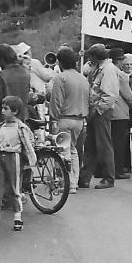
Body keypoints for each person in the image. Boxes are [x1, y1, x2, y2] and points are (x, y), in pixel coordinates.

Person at [0, 95, 37, 232]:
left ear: (15, 111)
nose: (2, 111)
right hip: (0, 158)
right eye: (2, 108)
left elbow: (29, 143)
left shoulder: (21, 127)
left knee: (15, 189)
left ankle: (17, 217)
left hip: (14, 158)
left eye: (6, 108)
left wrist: (31, 160)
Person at [48, 46, 89, 195]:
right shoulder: (83, 78)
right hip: (79, 120)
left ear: (60, 62)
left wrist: (53, 119)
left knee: (62, 151)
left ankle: (65, 182)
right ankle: (73, 183)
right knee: (73, 150)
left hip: (64, 119)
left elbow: (56, 101)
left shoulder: (61, 78)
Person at [79, 44, 119, 189]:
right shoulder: (100, 68)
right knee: (90, 145)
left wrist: (98, 109)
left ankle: (109, 177)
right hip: (95, 109)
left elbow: (111, 94)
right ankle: (84, 177)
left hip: (101, 111)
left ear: (96, 56)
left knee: (103, 145)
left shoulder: (108, 70)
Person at [0, 44, 31, 124]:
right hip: (21, 119)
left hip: (4, 120)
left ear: (2, 59)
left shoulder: (1, 75)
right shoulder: (26, 74)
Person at [109, 48, 132, 180]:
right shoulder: (120, 74)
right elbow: (128, 95)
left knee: (110, 141)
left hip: (110, 111)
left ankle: (106, 168)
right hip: (121, 112)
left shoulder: (106, 70)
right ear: (119, 60)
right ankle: (118, 170)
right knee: (119, 143)